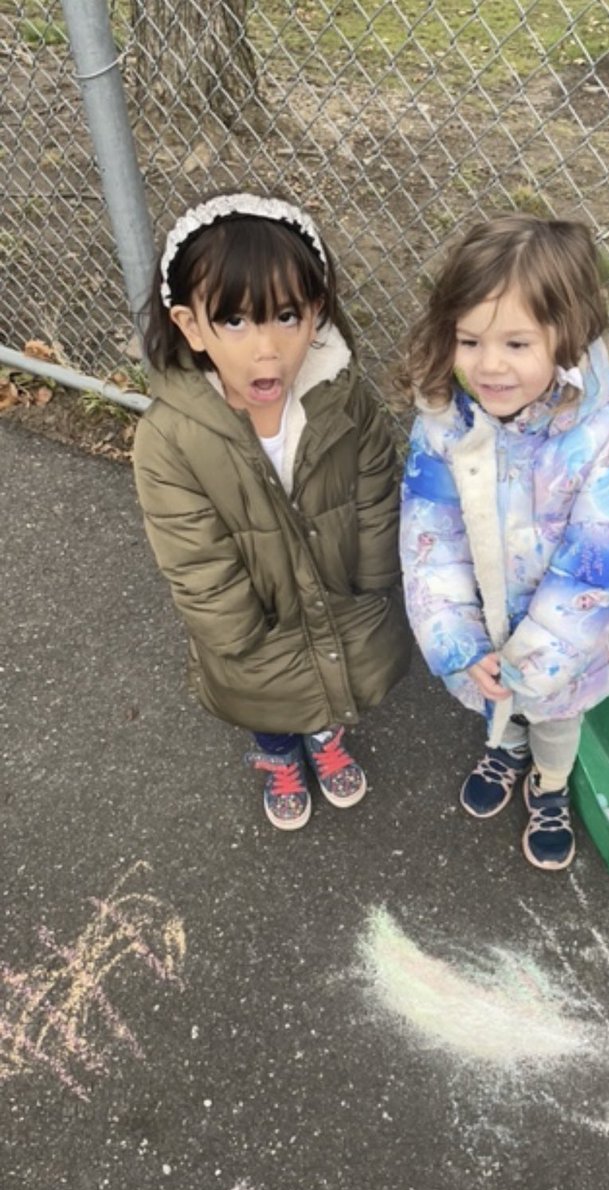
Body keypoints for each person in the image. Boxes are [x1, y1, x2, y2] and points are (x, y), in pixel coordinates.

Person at [133, 192, 411, 832]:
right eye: (235, 321)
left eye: (286, 316)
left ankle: (322, 734)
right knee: (267, 700)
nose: (267, 349)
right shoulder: (172, 438)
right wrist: (238, 638)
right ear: (190, 325)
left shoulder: (342, 399)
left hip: (339, 593)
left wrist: (372, 579)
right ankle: (280, 754)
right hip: (256, 624)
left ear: (316, 313)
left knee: (325, 690)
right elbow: (194, 556)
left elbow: (374, 494)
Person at [396, 213, 609, 870]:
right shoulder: (443, 423)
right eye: (471, 340)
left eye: (515, 344)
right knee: (498, 710)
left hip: (565, 649)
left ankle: (551, 784)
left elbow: (594, 571)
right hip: (485, 630)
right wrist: (456, 641)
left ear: (566, 335)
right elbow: (431, 540)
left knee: (557, 722)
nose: (488, 366)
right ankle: (506, 751)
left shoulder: (606, 441)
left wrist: (532, 663)